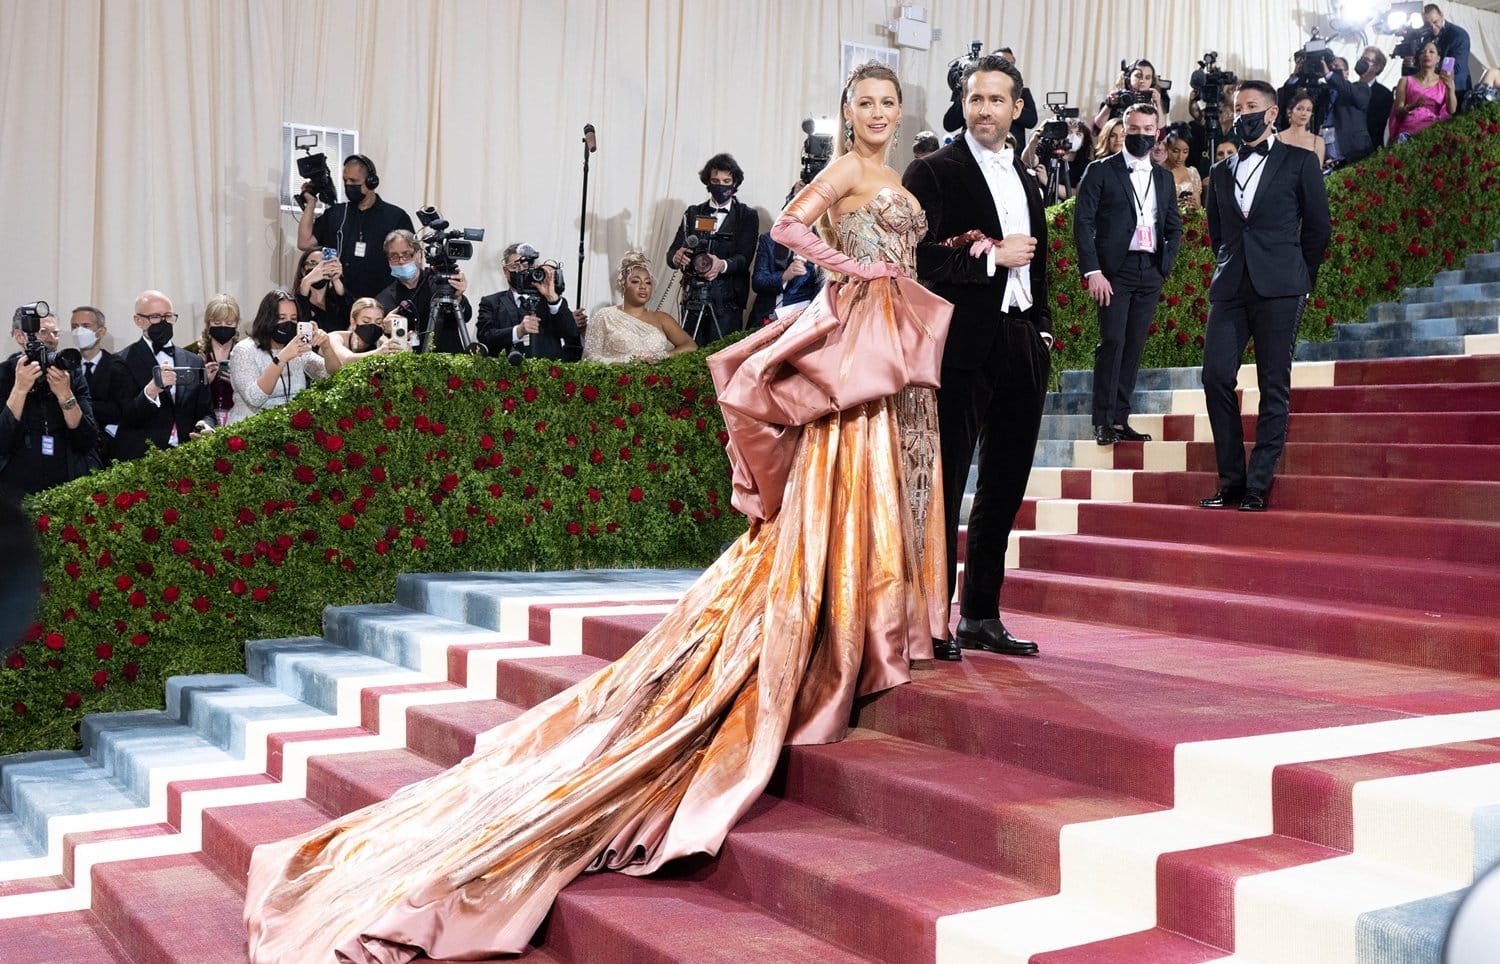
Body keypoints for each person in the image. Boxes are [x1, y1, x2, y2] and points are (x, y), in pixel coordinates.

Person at [245, 60, 953, 962]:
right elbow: (785, 227)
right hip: (857, 342)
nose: (879, 115)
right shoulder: (849, 172)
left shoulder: (904, 173)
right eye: (865, 104)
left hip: (895, 345)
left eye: (889, 103)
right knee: (840, 490)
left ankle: (882, 617)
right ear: (846, 114)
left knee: (898, 479)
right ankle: (844, 626)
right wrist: (850, 270)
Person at [904, 52, 1051, 659]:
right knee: (946, 483)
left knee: (1005, 486)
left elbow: (1038, 265)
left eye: (997, 100)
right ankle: (932, 620)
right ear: (963, 104)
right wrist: (990, 256)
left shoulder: (1029, 180)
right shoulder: (931, 171)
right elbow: (918, 262)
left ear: (1017, 109)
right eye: (975, 99)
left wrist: (1042, 331)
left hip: (1022, 343)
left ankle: (981, 615)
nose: (985, 109)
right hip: (961, 346)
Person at [1200, 80, 1331, 513]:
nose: (1242, 115)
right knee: (1216, 376)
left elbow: (1318, 229)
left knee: (1273, 385)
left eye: (1251, 107)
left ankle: (1257, 484)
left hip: (1282, 287)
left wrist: (1300, 278)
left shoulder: (1300, 162)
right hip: (1231, 286)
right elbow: (1218, 232)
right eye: (1237, 109)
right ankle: (1231, 480)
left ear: (1272, 114)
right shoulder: (1220, 171)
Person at [1075, 103, 1182, 447]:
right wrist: (1094, 272)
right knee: (1113, 342)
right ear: (1123, 130)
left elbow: (1173, 227)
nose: (1140, 135)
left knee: (1134, 345)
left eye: (1147, 130)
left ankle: (1120, 420)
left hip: (1149, 270)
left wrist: (1164, 267)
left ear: (1157, 132)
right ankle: (1102, 421)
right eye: (1133, 129)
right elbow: (1083, 224)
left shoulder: (1164, 178)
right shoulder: (1100, 171)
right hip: (1113, 271)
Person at [1, 308, 99, 499]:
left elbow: (87, 438)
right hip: (15, 487)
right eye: (43, 332)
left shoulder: (72, 375)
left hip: (66, 480)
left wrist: (65, 395)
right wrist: (20, 389)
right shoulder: (4, 375)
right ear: (19, 336)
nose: (51, 339)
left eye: (55, 333)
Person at [110, 291, 215, 461]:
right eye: (156, 317)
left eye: (168, 316)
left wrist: (206, 425)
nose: (164, 322)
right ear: (138, 320)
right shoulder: (121, 361)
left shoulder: (193, 360)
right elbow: (126, 416)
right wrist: (152, 390)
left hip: (186, 457)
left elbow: (206, 411)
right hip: (140, 458)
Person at [665, 153, 759, 343]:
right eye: (715, 180)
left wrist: (721, 265)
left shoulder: (747, 215)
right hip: (694, 299)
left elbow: (744, 258)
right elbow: (672, 254)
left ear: (734, 183)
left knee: (722, 357)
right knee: (689, 354)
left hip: (729, 302)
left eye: (726, 181)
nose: (720, 185)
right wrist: (677, 257)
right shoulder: (693, 213)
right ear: (708, 182)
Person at [297, 154, 414, 303]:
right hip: (339, 301)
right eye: (345, 181)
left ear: (371, 181)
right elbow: (304, 243)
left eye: (354, 181)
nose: (348, 185)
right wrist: (311, 203)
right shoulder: (336, 213)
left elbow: (411, 258)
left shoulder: (395, 216)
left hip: (382, 302)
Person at [227, 290, 342, 424]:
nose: (288, 324)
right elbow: (255, 398)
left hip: (289, 429)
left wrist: (326, 347)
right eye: (281, 318)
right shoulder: (244, 350)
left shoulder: (299, 349)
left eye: (293, 319)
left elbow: (333, 375)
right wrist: (282, 358)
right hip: (249, 430)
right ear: (267, 319)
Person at [582, 252, 697, 363]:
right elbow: (590, 358)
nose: (643, 287)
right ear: (623, 285)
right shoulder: (605, 316)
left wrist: (664, 356)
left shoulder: (662, 318)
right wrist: (627, 361)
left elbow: (690, 346)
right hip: (617, 380)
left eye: (648, 283)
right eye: (636, 281)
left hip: (655, 380)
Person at [475, 243, 582, 361]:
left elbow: (571, 334)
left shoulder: (552, 301)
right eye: (515, 266)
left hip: (548, 374)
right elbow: (485, 337)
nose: (522, 271)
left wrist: (553, 299)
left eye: (526, 266)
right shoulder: (491, 302)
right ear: (506, 271)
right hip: (506, 373)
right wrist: (518, 331)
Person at [374, 229, 474, 354]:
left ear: (419, 255)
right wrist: (384, 328)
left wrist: (458, 297)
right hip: (408, 366)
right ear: (388, 260)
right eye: (394, 256)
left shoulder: (441, 281)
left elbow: (466, 316)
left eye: (406, 254)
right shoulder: (383, 299)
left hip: (449, 362)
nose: (401, 260)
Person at [749, 184, 825, 324]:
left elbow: (821, 293)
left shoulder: (823, 245)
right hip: (764, 318)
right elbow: (758, 282)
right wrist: (784, 276)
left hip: (800, 323)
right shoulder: (769, 240)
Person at [69, 305, 124, 464]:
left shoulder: (118, 366)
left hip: (108, 449)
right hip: (74, 450)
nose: (79, 331)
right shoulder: (67, 366)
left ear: (101, 332)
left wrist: (78, 405)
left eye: (86, 326)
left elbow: (118, 410)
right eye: (74, 326)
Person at [189, 294, 243, 428]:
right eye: (217, 323)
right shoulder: (192, 352)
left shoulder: (245, 352)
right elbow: (183, 395)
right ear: (208, 324)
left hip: (239, 421)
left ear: (236, 324)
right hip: (203, 423)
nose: (223, 327)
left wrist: (239, 383)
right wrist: (203, 381)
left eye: (229, 323)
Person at [1392, 41, 1457, 141]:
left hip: (1432, 133)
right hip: (1407, 134)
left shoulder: (1445, 82)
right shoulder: (1405, 81)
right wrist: (1413, 106)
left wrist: (1450, 88)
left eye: (1431, 52)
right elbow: (1397, 112)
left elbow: (1451, 110)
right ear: (1419, 57)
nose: (1427, 54)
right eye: (1423, 52)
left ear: (1438, 59)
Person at [1320, 56, 1375, 166]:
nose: (1331, 69)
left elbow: (1359, 99)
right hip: (1329, 148)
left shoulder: (1360, 88)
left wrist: (1329, 75)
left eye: (1336, 66)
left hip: (1353, 149)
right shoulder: (1324, 92)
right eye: (1330, 67)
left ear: (1346, 73)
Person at [1022, 118, 1092, 202]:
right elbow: (1027, 161)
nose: (1073, 137)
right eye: (1069, 132)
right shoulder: (1047, 149)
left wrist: (1048, 182)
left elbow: (1077, 193)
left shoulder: (1086, 165)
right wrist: (1035, 139)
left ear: (1084, 141)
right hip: (1043, 204)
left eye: (1078, 134)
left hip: (1068, 210)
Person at [1094, 59, 1168, 131]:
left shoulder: (1153, 102)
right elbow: (1096, 130)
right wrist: (1109, 105)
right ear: (1128, 77)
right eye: (1138, 76)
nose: (1142, 81)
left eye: (1147, 78)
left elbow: (1161, 135)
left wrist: (1157, 104)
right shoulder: (1117, 98)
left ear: (1152, 81)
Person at [328, 297, 409, 362]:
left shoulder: (381, 343)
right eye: (366, 321)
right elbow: (345, 359)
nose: (373, 326)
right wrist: (378, 353)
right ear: (353, 322)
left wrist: (404, 353)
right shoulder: (334, 337)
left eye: (378, 322)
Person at [294, 247, 350, 332]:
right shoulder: (295, 303)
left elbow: (350, 314)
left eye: (324, 264)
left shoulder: (335, 302)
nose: (318, 269)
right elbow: (302, 326)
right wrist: (306, 282)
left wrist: (336, 279)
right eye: (313, 263)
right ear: (303, 270)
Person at [1421, 4, 1471, 97]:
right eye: (1428, 24)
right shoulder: (1427, 36)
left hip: (1457, 90)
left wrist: (1428, 64)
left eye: (1435, 22)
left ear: (1442, 15)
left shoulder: (1458, 35)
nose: (1433, 27)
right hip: (1435, 90)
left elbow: (1456, 66)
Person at [1279, 91, 1327, 168]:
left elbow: (1317, 171)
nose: (1304, 113)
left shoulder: (1318, 141)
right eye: (1299, 109)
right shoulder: (1278, 138)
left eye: (1308, 110)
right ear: (1289, 112)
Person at [1360, 47, 1394, 151]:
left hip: (1369, 149)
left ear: (1377, 67)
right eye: (1362, 59)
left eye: (1366, 60)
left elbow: (1378, 126)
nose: (1362, 63)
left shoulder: (1385, 95)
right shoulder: (1349, 89)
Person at [1162, 127, 1203, 209]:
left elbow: (1198, 207)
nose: (1180, 157)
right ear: (1167, 147)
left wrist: (1193, 204)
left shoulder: (1192, 173)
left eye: (1185, 152)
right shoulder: (1158, 172)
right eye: (1175, 151)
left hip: (1189, 219)